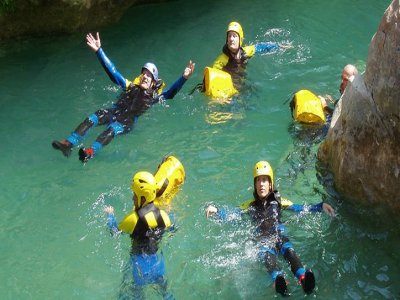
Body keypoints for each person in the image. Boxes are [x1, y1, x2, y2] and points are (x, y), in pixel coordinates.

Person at [52, 32, 195, 162]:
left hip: (126, 122)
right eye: (143, 73)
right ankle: (68, 144)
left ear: (153, 81)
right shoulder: (129, 86)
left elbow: (170, 93)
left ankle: (89, 152)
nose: (145, 76)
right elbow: (113, 71)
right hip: (114, 112)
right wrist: (99, 51)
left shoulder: (153, 97)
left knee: (112, 129)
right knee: (95, 116)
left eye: (149, 75)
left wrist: (184, 77)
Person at [205, 161, 335, 296]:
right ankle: (279, 281)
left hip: (279, 236)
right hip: (263, 240)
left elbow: (300, 208)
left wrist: (320, 206)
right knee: (268, 257)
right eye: (258, 181)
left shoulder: (279, 202)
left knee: (290, 251)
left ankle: (303, 279)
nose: (261, 184)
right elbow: (233, 213)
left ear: (270, 183)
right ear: (255, 185)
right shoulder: (249, 206)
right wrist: (217, 211)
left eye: (264, 180)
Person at [104, 171, 174, 299]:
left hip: (139, 266)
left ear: (142, 198)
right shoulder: (164, 216)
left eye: (135, 195)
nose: (132, 198)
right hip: (158, 263)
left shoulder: (133, 220)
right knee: (165, 292)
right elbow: (172, 229)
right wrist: (171, 212)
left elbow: (114, 232)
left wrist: (110, 216)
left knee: (132, 292)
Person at [212, 21, 290, 89]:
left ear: (240, 40)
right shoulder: (221, 61)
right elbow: (213, 78)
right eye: (229, 36)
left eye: (234, 36)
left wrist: (279, 46)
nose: (231, 39)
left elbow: (261, 47)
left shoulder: (246, 52)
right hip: (230, 89)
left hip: (242, 83)